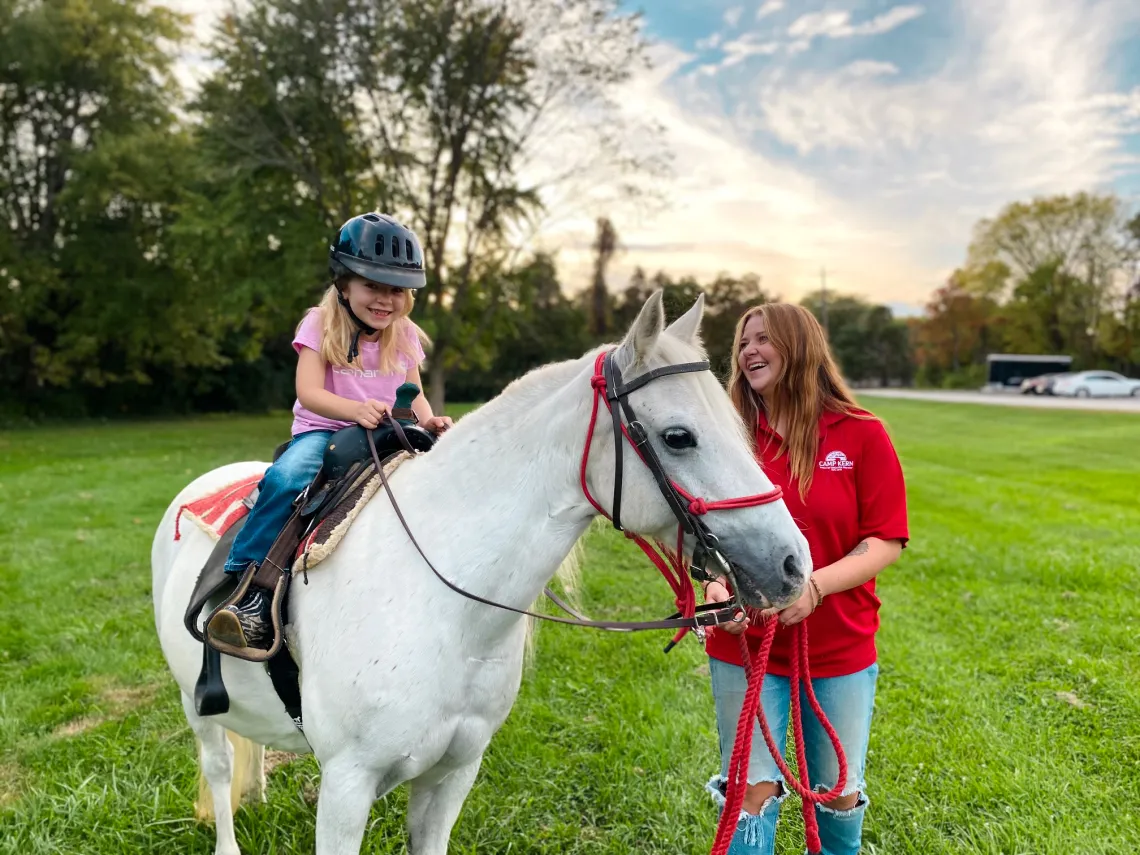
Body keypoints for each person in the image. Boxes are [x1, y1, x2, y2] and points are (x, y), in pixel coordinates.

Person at [703, 302, 908, 855]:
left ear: (801, 349)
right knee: (750, 791)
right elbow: (704, 535)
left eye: (764, 339)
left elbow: (884, 538)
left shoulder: (862, 434)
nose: (748, 351)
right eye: (743, 342)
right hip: (744, 646)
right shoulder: (729, 438)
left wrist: (814, 587)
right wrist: (715, 586)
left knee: (837, 791)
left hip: (837, 645)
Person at [206, 213, 453, 651]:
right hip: (324, 433)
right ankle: (249, 586)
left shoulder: (406, 334)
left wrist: (428, 420)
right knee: (285, 480)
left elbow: (411, 393)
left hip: (388, 431)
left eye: (396, 290)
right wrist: (356, 409)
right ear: (343, 283)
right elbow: (309, 392)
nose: (384, 300)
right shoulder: (319, 324)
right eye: (372, 286)